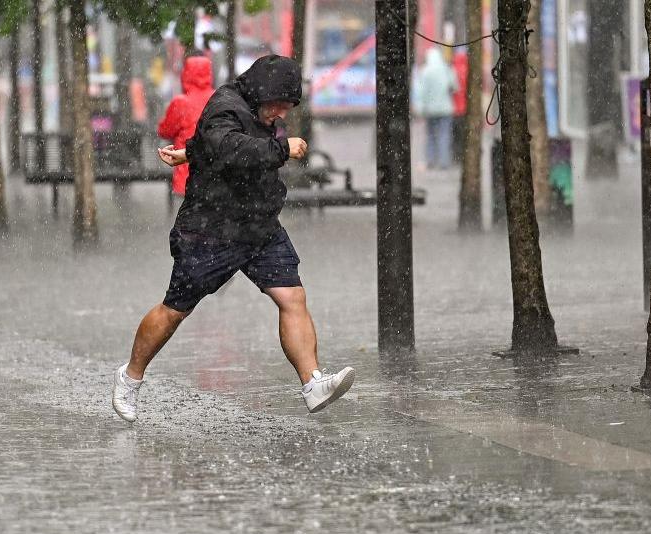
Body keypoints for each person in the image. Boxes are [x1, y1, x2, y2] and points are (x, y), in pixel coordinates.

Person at [112, 55, 356, 423]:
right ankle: (130, 377)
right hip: (212, 229)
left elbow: (216, 143)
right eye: (280, 105)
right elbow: (229, 147)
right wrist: (282, 149)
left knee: (292, 296)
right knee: (175, 310)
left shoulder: (257, 112)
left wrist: (189, 152)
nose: (282, 114)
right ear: (263, 92)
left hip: (259, 226)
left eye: (288, 107)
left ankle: (313, 383)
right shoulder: (225, 105)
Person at [157, 52, 215, 196]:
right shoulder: (218, 98)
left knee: (185, 209)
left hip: (187, 176)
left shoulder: (180, 103)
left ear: (186, 74)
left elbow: (165, 131)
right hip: (214, 178)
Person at [412, 47, 458, 170]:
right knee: (445, 135)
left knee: (431, 136)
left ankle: (430, 160)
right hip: (445, 109)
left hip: (430, 110)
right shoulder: (446, 69)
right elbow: (454, 86)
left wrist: (420, 109)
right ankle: (444, 162)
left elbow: (420, 92)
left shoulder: (425, 72)